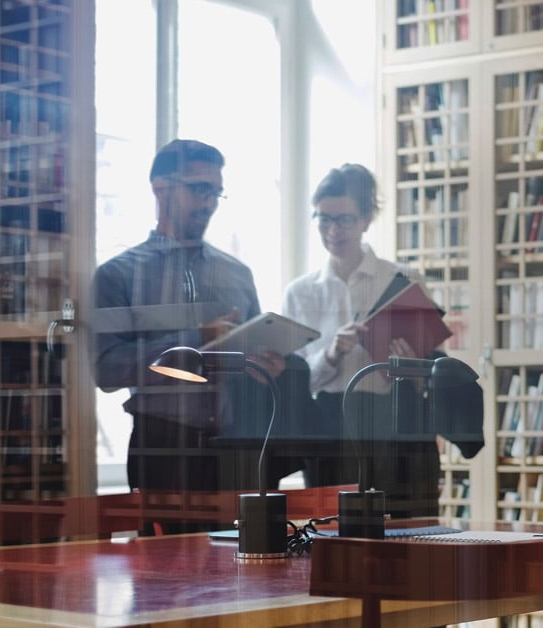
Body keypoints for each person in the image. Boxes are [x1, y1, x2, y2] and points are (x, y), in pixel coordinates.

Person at [92, 139, 309, 506]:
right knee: (163, 562)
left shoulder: (238, 273)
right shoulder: (117, 276)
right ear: (160, 189)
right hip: (161, 446)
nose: (208, 203)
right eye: (199, 189)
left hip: (236, 444)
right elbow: (107, 369)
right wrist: (199, 338)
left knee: (245, 560)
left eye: (216, 193)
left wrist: (266, 364)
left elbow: (248, 354)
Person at [282, 164, 478, 517]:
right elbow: (296, 384)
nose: (333, 230)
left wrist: (413, 367)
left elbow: (436, 369)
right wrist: (330, 353)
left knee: (412, 536)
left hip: (397, 424)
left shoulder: (403, 278)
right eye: (323, 219)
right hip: (332, 428)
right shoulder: (300, 293)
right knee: (334, 540)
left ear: (367, 217)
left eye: (344, 219)